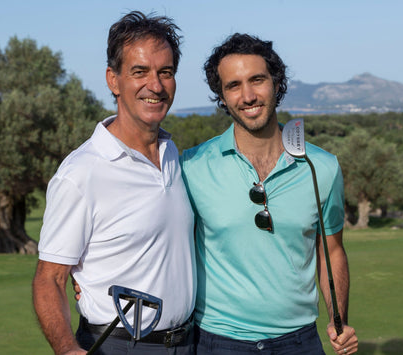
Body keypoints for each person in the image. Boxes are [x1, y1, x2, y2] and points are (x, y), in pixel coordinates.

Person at [180, 33, 359, 354]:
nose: (247, 95)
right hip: (218, 342)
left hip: (299, 342)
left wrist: (338, 318)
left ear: (277, 84)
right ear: (222, 96)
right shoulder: (191, 166)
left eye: (257, 80)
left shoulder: (323, 167)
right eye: (233, 85)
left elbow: (331, 252)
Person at [32, 11, 196, 355]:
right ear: (113, 79)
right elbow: (50, 279)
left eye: (165, 72)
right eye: (140, 72)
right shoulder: (81, 172)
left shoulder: (172, 154)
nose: (155, 85)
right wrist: (65, 348)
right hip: (118, 346)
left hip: (188, 343)